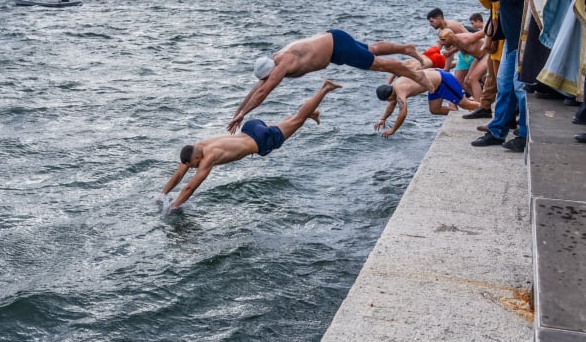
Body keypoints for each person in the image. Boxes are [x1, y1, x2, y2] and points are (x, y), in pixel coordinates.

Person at [163, 80, 341, 209]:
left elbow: (190, 187)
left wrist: (172, 208)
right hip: (250, 128)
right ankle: (312, 113)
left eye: (194, 165)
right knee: (291, 122)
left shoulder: (209, 157)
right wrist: (162, 195)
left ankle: (324, 89)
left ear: (197, 157)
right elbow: (179, 174)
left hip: (261, 140)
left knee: (298, 119)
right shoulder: (199, 146)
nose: (194, 168)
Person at [228, 30, 432, 133]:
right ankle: (406, 48)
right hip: (333, 41)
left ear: (271, 71)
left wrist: (244, 114)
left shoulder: (281, 66)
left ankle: (417, 76)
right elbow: (257, 88)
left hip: (337, 48)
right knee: (372, 49)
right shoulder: (273, 59)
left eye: (268, 78)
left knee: (380, 65)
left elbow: (263, 93)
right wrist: (239, 113)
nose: (266, 81)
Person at [469, 0, 536, 152]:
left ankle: (525, 133)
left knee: (519, 87)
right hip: (511, 34)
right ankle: (497, 130)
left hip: (524, 33)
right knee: (505, 84)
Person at [374, 69, 480, 138]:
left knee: (466, 105)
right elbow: (392, 103)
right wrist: (383, 119)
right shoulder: (393, 89)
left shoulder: (400, 90)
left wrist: (393, 130)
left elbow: (403, 113)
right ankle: (458, 113)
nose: (389, 102)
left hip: (443, 80)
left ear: (389, 95)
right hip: (434, 86)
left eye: (387, 100)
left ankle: (486, 108)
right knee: (434, 109)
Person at [438, 28, 486, 102]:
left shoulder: (466, 39)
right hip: (478, 58)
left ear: (451, 37)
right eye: (440, 40)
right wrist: (451, 52)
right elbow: (459, 46)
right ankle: (480, 101)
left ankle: (480, 105)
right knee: (467, 81)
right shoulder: (454, 41)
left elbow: (485, 32)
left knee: (473, 79)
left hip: (487, 55)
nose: (441, 42)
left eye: (443, 40)